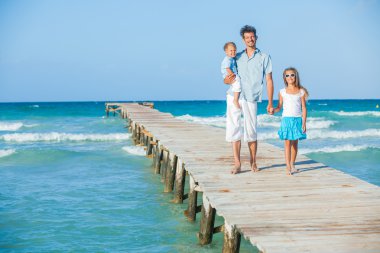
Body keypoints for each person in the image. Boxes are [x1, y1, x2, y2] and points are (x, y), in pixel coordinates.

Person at [224, 25, 274, 174]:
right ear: (243, 39)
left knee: (251, 130)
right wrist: (227, 80)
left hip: (252, 97)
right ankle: (237, 163)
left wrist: (271, 102)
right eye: (247, 37)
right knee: (234, 129)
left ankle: (253, 162)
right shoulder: (236, 57)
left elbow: (269, 80)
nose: (250, 39)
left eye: (252, 36)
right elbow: (226, 79)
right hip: (234, 95)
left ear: (256, 37)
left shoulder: (264, 57)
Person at [273, 67, 309, 175]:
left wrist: (304, 122)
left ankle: (293, 164)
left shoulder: (301, 91)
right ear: (284, 78)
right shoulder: (282, 92)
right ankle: (288, 166)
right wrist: (273, 110)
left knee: (295, 143)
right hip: (286, 119)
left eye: (292, 75)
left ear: (296, 76)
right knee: (287, 143)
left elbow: (304, 107)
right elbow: (279, 107)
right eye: (287, 75)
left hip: (297, 119)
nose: (290, 77)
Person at [221, 42, 241, 109]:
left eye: (234, 50)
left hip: (230, 74)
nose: (233, 52)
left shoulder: (232, 58)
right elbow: (227, 68)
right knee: (237, 81)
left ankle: (232, 94)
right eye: (231, 50)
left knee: (236, 85)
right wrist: (232, 74)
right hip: (228, 74)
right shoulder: (227, 59)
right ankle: (235, 100)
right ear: (226, 52)